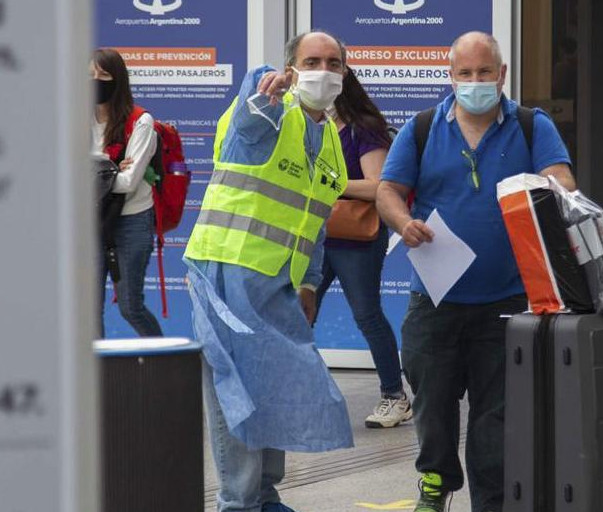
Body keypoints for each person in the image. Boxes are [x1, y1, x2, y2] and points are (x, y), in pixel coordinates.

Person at [377, 31, 576, 512]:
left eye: (484, 72)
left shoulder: (531, 125)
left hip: (508, 299)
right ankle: (436, 479)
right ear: (451, 76)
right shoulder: (422, 127)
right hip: (435, 297)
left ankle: (492, 501)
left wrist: (547, 185)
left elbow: (564, 178)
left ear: (502, 74)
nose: (475, 82)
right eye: (464, 74)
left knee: (498, 416)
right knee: (431, 402)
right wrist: (404, 223)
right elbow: (388, 190)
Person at [183, 31, 354, 512]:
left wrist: (309, 282)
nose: (323, 70)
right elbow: (247, 129)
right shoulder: (270, 111)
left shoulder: (331, 145)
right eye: (312, 61)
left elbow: (314, 224)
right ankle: (237, 503)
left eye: (333, 62)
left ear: (344, 73)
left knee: (274, 387)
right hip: (226, 273)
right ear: (291, 69)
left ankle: (264, 496)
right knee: (235, 393)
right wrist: (262, 97)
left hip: (278, 286)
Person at [313, 68, 411, 428]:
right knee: (299, 314)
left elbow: (378, 186)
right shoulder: (311, 125)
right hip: (316, 235)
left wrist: (329, 185)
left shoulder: (363, 127)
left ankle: (394, 396)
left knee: (366, 314)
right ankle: (302, 392)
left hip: (356, 238)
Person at [90, 48, 163, 338]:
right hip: (91, 222)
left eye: (104, 75)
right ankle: (94, 377)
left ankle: (163, 364)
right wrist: (110, 170)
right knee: (87, 310)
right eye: (90, 75)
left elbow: (129, 182)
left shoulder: (141, 121)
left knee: (130, 306)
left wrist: (96, 172)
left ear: (118, 80)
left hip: (132, 219)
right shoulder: (75, 119)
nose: (96, 81)